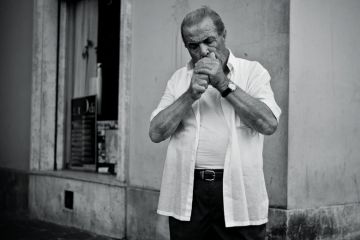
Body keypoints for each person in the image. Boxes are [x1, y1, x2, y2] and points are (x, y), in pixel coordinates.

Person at [149, 6, 281, 240]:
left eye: (209, 41)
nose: (202, 51)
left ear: (223, 35)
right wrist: (189, 95)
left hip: (239, 189)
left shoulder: (253, 72)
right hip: (189, 191)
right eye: (193, 46)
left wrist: (223, 83)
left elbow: (268, 123)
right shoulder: (179, 79)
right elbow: (156, 132)